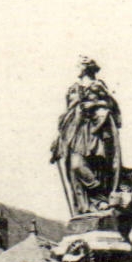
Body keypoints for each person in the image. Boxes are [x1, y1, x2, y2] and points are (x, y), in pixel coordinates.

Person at [51, 58, 122, 215]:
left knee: (87, 166)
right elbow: (67, 114)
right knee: (74, 168)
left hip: (92, 132)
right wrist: (59, 140)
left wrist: (95, 105)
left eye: (79, 65)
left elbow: (111, 105)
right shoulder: (72, 89)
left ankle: (99, 198)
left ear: (86, 68)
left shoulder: (97, 86)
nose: (76, 68)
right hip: (73, 133)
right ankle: (84, 208)